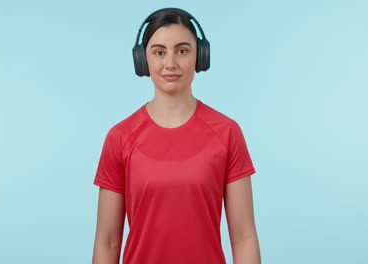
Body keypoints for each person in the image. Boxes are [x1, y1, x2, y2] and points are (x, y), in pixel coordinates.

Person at [92, 7, 261, 264]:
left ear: (200, 56)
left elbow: (243, 236)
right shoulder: (120, 137)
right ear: (142, 59)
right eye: (159, 52)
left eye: (182, 51)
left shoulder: (227, 133)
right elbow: (108, 240)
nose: (170, 63)